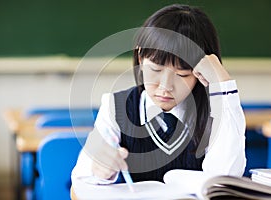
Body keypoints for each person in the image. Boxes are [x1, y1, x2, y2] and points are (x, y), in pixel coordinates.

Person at [71, 4, 246, 186]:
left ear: (200, 72)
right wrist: (100, 169)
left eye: (182, 74)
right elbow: (83, 175)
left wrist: (224, 87)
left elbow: (226, 180)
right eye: (155, 69)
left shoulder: (215, 112)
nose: (165, 86)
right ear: (140, 58)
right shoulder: (116, 106)